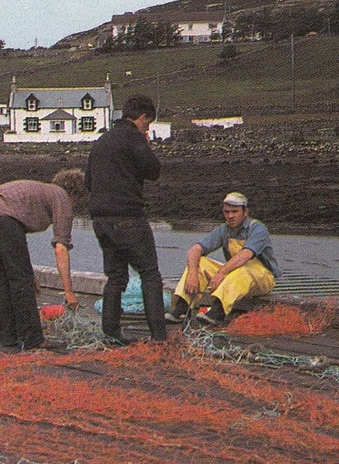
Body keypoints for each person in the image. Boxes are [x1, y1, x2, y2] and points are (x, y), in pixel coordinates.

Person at [85, 95, 167, 345]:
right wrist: (145, 143)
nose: (147, 128)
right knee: (150, 274)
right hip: (128, 217)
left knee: (116, 277)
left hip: (100, 220)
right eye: (148, 123)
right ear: (141, 117)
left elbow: (88, 181)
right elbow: (153, 171)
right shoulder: (133, 137)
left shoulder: (102, 140)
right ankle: (159, 338)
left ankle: (111, 333)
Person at [0, 169, 87, 352]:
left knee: (1, 279)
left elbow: (14, 249)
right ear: (75, 193)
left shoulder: (44, 191)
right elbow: (61, 248)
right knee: (21, 282)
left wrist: (28, 274)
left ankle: (9, 339)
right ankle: (33, 339)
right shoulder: (62, 198)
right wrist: (68, 292)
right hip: (4, 216)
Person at [165, 192, 282, 326]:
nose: (230, 216)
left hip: (262, 277)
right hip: (233, 273)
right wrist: (192, 273)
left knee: (243, 271)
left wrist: (221, 273)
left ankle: (217, 311)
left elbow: (245, 255)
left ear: (245, 212)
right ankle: (182, 307)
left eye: (234, 211)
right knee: (200, 263)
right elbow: (195, 250)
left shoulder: (257, 229)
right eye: (226, 212)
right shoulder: (223, 230)